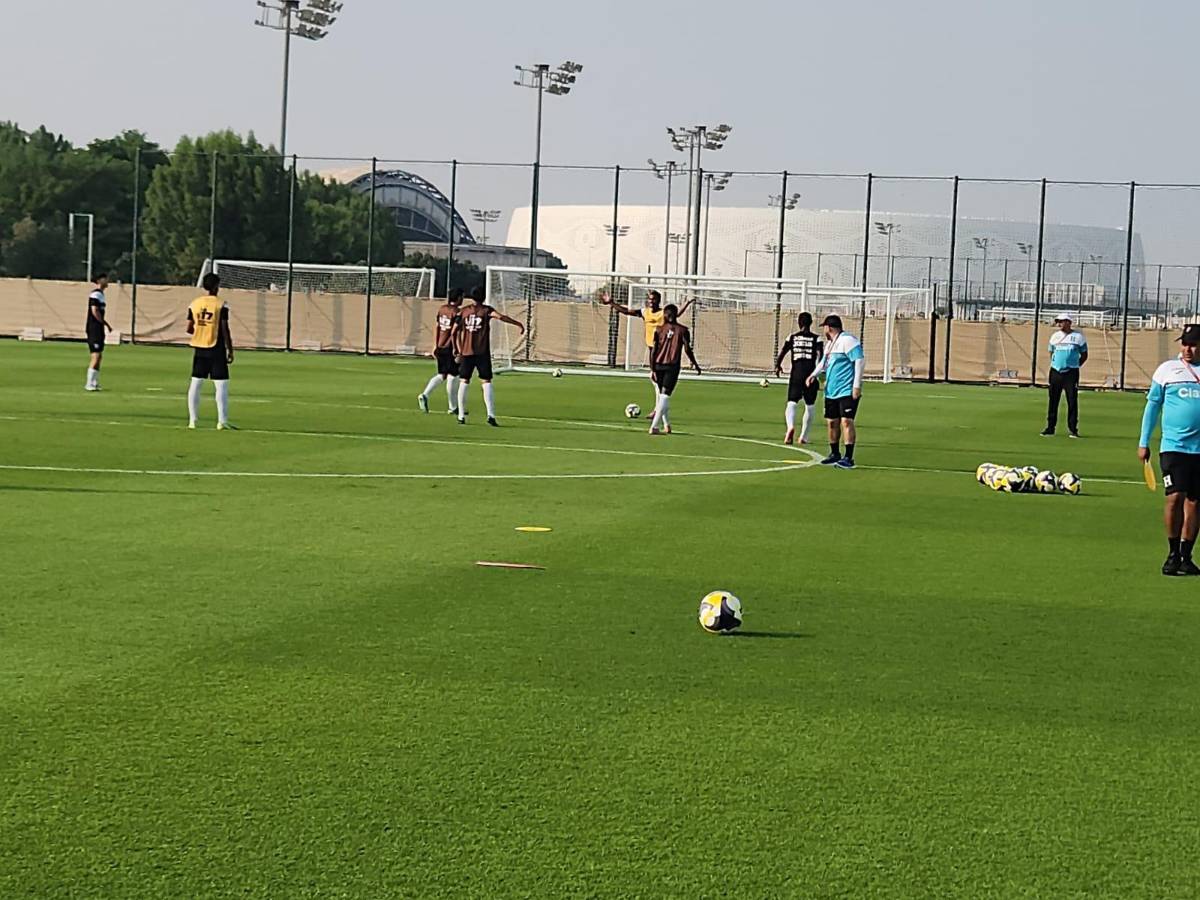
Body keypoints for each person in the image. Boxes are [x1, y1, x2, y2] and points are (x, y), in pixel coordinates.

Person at [1138, 323, 1200, 576]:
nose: (1187, 349)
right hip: (1174, 447)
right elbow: (1152, 406)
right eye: (1184, 343)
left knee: (1195, 503)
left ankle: (1186, 556)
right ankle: (1172, 553)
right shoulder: (1167, 370)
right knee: (1174, 497)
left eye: (1193, 344)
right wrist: (1144, 441)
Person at [600, 289, 695, 411]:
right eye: (649, 299)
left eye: (653, 299)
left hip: (662, 351)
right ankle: (659, 409)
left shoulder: (663, 313)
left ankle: (658, 409)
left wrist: (686, 304)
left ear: (658, 301)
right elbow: (627, 311)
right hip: (652, 349)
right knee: (655, 381)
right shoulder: (645, 312)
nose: (651, 301)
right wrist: (611, 303)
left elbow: (676, 315)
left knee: (657, 381)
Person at [451, 284, 525, 426]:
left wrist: (457, 349)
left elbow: (454, 331)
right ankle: (491, 415)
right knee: (486, 381)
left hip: (466, 352)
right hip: (481, 353)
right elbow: (501, 317)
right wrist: (518, 324)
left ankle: (461, 416)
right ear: (483, 297)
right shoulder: (486, 310)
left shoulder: (463, 312)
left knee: (464, 381)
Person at [807, 314, 864, 469]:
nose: (824, 330)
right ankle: (834, 453)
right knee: (832, 422)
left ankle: (849, 457)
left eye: (825, 327)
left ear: (829, 327)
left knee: (846, 421)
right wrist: (813, 375)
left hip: (846, 389)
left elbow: (859, 360)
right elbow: (823, 363)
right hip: (831, 391)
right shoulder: (830, 344)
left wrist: (856, 386)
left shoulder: (848, 341)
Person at [186, 272, 236, 430]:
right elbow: (224, 328)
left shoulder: (194, 303)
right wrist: (230, 349)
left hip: (199, 347)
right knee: (221, 385)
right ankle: (222, 421)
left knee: (196, 382)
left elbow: (189, 328)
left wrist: (201, 329)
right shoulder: (221, 304)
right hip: (216, 347)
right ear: (216, 286)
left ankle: (192, 421)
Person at [648, 304, 702, 435]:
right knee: (665, 396)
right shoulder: (683, 330)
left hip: (658, 365)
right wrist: (695, 364)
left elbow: (653, 350)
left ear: (665, 315)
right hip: (671, 366)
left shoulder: (659, 329)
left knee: (662, 396)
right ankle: (654, 427)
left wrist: (652, 368)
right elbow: (687, 349)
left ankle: (666, 424)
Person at [774, 311, 823, 445]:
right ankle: (804, 436)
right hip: (810, 374)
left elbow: (783, 352)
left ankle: (790, 427)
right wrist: (819, 375)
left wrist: (777, 366)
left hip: (796, 374)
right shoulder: (817, 339)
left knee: (792, 402)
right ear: (811, 323)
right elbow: (821, 357)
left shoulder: (792, 337)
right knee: (810, 405)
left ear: (799, 323)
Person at [418, 287, 463, 415]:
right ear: (458, 298)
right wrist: (457, 349)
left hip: (440, 346)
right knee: (453, 376)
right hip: (450, 348)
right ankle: (453, 407)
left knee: (442, 374)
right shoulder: (457, 313)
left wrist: (435, 345)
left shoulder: (442, 309)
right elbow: (455, 333)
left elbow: (437, 327)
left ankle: (425, 395)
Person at [1042, 312, 1088, 438]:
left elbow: (1084, 355)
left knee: (1072, 400)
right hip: (1056, 372)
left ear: (1069, 322)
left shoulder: (1078, 337)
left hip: (1071, 373)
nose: (1059, 324)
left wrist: (1074, 365)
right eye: (1058, 321)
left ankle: (1073, 429)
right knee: (1053, 400)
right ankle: (1050, 427)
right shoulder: (1055, 337)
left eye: (1062, 321)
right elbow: (1051, 352)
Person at [84, 273, 112, 391]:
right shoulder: (95, 294)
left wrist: (105, 325)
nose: (108, 281)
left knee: (99, 356)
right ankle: (88, 383)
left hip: (99, 328)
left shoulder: (101, 295)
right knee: (95, 356)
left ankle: (94, 382)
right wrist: (103, 323)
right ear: (100, 280)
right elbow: (94, 310)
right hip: (94, 328)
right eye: (106, 279)